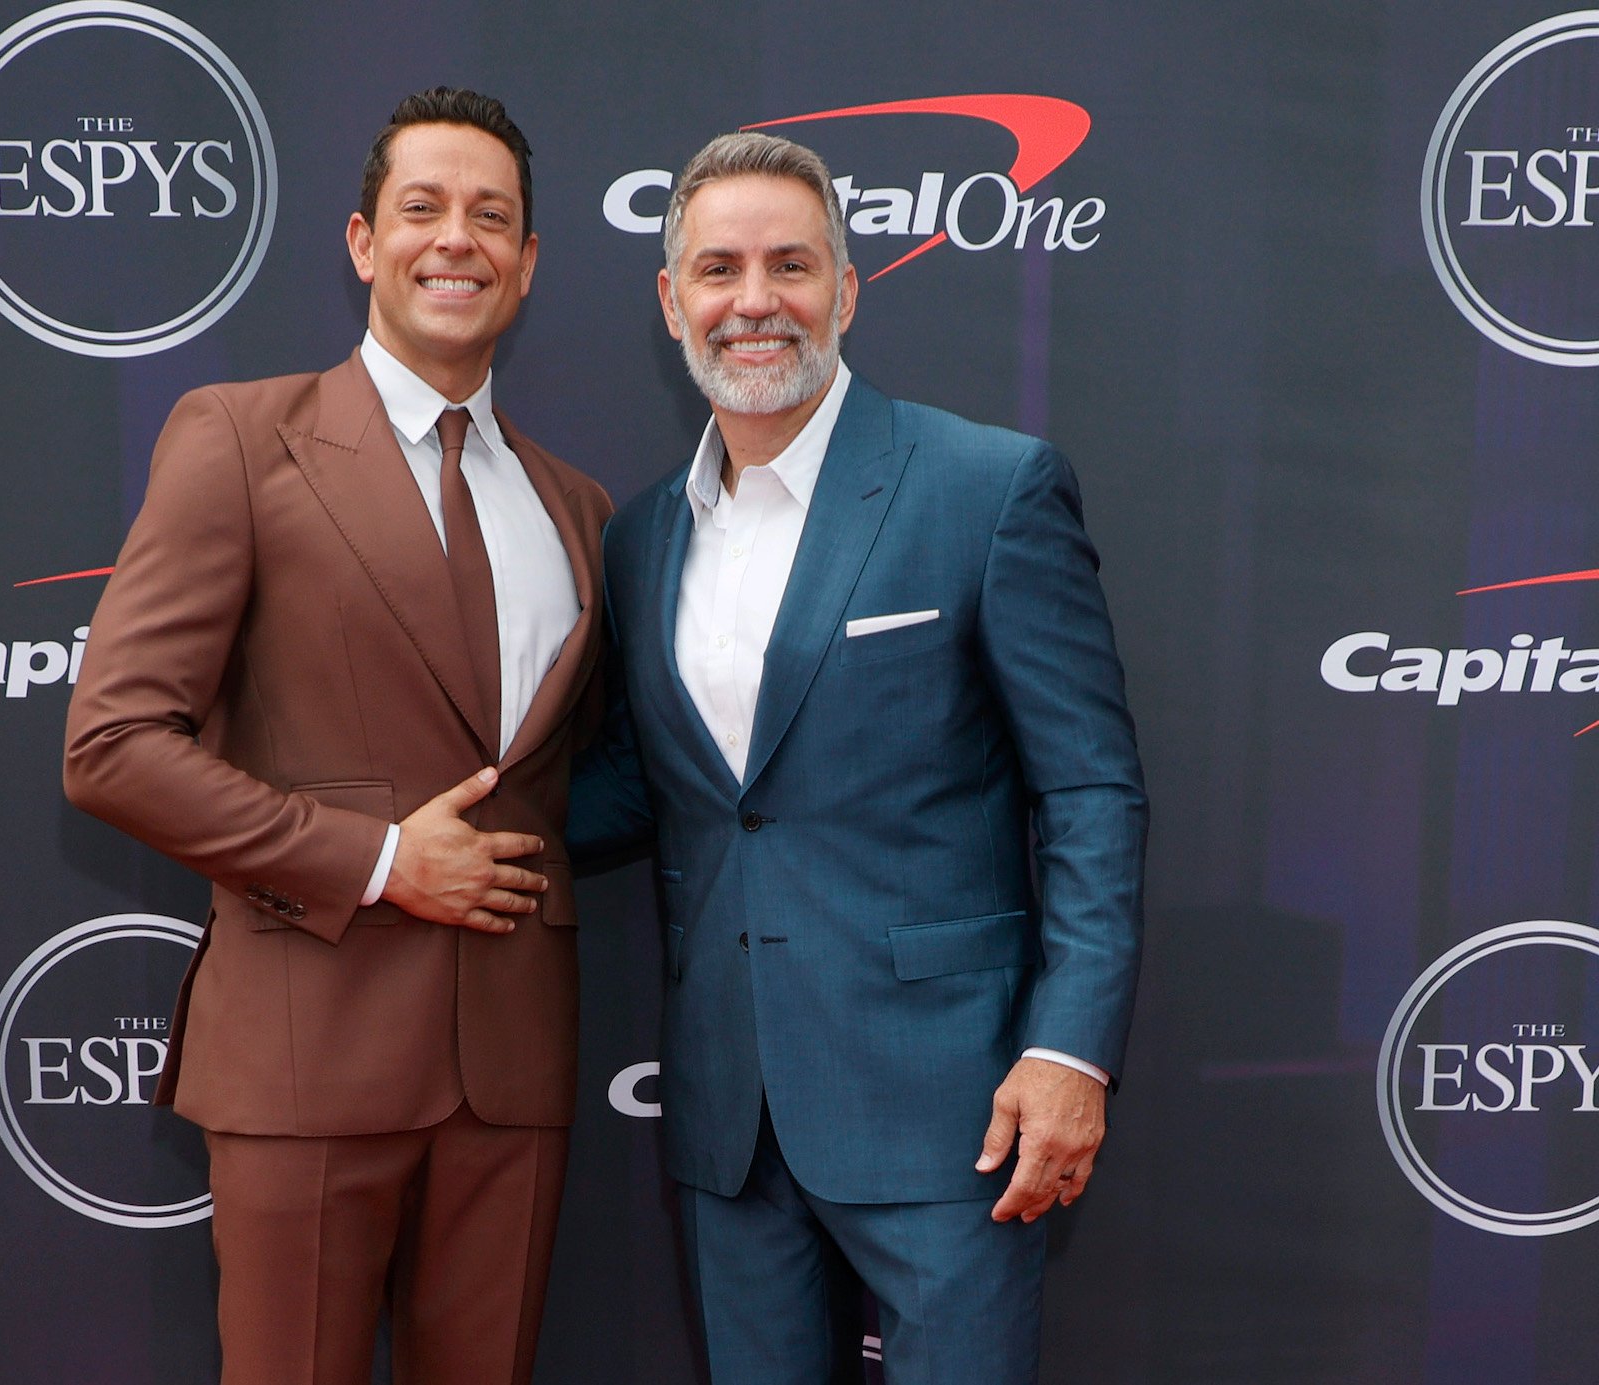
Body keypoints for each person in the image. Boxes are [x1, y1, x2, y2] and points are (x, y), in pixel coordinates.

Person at [571, 131, 1146, 1384]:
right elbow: (647, 788)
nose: (754, 300)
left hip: (953, 1109)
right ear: (672, 302)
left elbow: (1089, 788)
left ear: (846, 286)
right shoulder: (642, 538)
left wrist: (1068, 1049)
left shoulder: (984, 487)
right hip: (728, 1116)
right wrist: (400, 817)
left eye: (790, 263)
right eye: (717, 269)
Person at [64, 88, 610, 1385]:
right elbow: (113, 742)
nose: (456, 239)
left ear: (529, 264)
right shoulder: (242, 440)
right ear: (364, 240)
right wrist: (375, 858)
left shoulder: (577, 508)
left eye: (493, 217)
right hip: (306, 1050)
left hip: (514, 1068)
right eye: (424, 208)